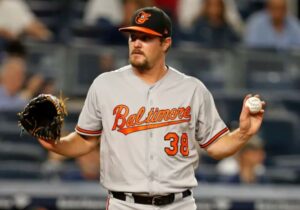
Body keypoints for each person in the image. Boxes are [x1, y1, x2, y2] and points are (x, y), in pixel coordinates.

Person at [36, 7, 265, 209]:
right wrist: (57, 144)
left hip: (179, 203)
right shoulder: (105, 85)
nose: (136, 43)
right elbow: (85, 140)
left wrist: (244, 132)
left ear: (165, 43)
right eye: (133, 36)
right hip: (124, 203)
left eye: (145, 38)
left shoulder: (192, 89)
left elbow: (216, 145)